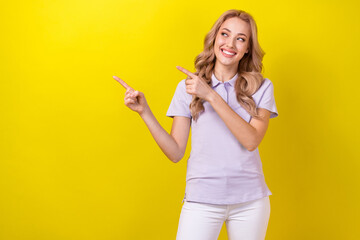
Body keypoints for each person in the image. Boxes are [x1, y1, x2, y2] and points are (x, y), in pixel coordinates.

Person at [113, 8, 278, 240]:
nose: (230, 44)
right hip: (202, 199)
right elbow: (175, 152)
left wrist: (210, 95)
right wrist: (145, 112)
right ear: (215, 38)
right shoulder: (187, 88)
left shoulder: (262, 87)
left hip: (250, 202)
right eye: (225, 34)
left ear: (248, 48)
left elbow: (251, 141)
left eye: (240, 39)